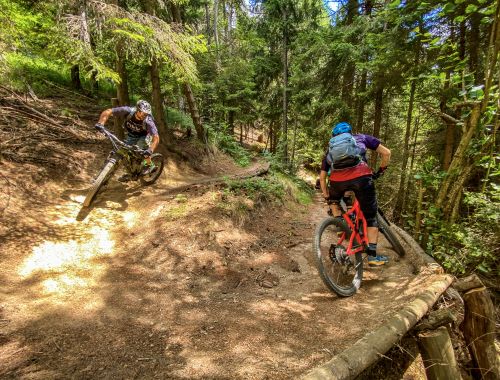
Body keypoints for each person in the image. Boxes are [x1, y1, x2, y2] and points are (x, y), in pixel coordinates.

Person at [319, 121, 391, 266]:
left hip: (337, 181)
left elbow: (322, 176)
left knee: (334, 201)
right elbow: (386, 153)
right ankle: (372, 257)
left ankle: (340, 225)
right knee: (370, 216)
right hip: (361, 178)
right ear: (350, 133)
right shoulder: (362, 138)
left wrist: (327, 195)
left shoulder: (330, 149)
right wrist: (381, 170)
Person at [95, 100, 160, 180]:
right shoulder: (128, 111)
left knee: (141, 151)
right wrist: (101, 123)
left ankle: (149, 165)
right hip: (131, 135)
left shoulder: (148, 121)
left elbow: (156, 137)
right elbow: (108, 111)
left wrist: (151, 150)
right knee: (122, 152)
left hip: (144, 136)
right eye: (143, 113)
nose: (145, 115)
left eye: (147, 114)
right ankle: (106, 177)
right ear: (137, 110)